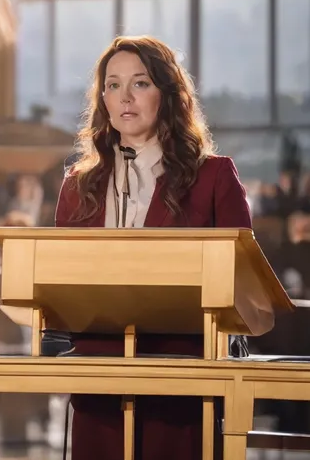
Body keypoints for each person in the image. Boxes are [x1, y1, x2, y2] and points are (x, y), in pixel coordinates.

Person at [54, 36, 252, 460]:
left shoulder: (213, 178)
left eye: (140, 83)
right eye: (112, 85)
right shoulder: (77, 185)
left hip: (181, 393)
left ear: (168, 93)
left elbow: (243, 285)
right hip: (98, 388)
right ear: (102, 99)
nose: (124, 97)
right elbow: (57, 283)